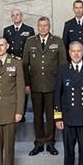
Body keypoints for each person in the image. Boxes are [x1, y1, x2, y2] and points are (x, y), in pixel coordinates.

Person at [23, 16, 67, 156]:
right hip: (35, 84)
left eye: (45, 25)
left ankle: (50, 142)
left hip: (52, 85)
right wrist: (27, 83)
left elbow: (63, 65)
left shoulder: (57, 41)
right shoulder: (30, 41)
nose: (43, 28)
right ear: (37, 27)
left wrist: (61, 85)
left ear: (49, 26)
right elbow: (25, 64)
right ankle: (39, 142)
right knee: (37, 116)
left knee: (51, 116)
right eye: (40, 25)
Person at [3, 8, 35, 121]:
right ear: (11, 17)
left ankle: (22, 113)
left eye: (17, 15)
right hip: (11, 64)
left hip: (23, 63)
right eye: (13, 15)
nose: (15, 17)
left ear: (21, 16)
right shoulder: (7, 30)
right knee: (11, 88)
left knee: (23, 89)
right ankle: (12, 112)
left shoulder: (29, 30)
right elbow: (5, 48)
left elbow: (32, 47)